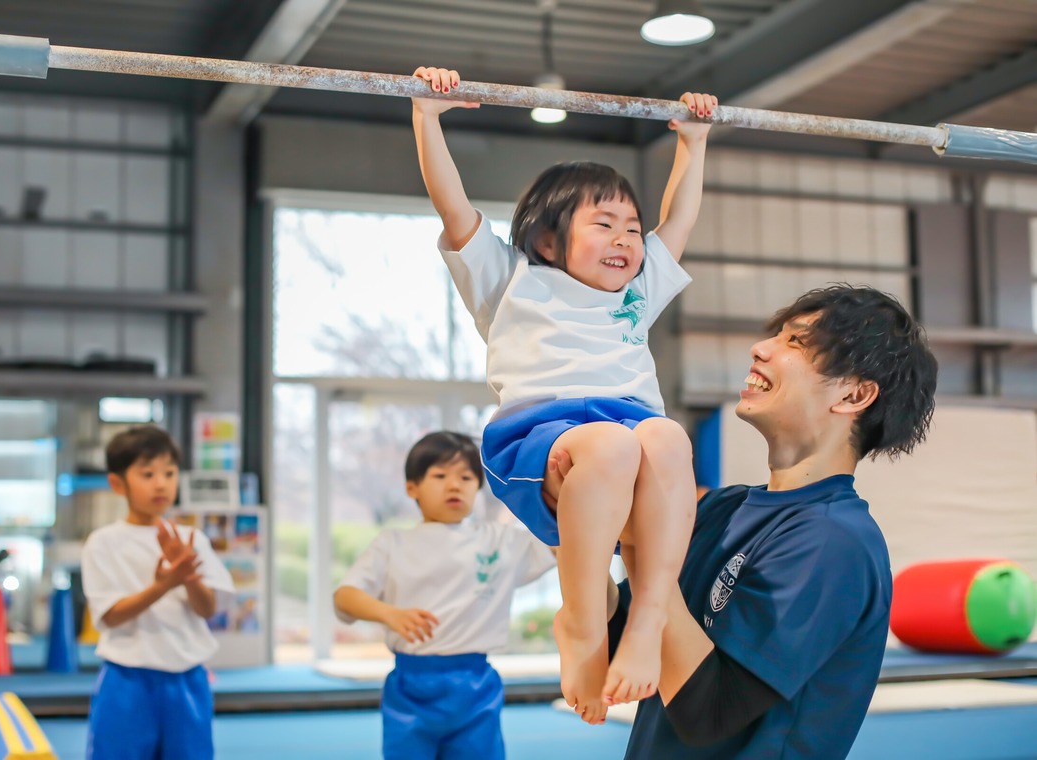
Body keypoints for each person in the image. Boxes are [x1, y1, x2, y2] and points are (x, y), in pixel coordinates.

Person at [411, 65, 716, 723]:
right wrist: (427, 119)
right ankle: (583, 621)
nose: (626, 239)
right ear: (548, 238)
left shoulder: (637, 293)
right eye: (604, 224)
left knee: (665, 435)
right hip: (539, 437)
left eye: (632, 228)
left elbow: (681, 217)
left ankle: (642, 620)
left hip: (630, 443)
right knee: (610, 444)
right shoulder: (510, 279)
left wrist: (693, 144)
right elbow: (453, 207)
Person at [577, 285, 937, 759]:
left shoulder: (833, 543)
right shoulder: (719, 510)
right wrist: (569, 525)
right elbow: (621, 645)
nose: (760, 347)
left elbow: (708, 713)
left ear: (854, 393)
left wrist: (646, 544)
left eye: (796, 342)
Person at [334, 431, 557, 760]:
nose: (454, 485)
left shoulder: (501, 541)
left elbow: (563, 539)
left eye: (466, 477)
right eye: (440, 476)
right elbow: (344, 597)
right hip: (411, 687)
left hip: (476, 686)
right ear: (413, 487)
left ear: (478, 488)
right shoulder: (392, 543)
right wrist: (389, 613)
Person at [81, 426, 234, 760]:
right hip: (128, 680)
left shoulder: (191, 539)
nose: (161, 483)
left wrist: (188, 576)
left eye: (169, 472)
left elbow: (208, 609)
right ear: (118, 484)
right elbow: (110, 614)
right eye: (147, 474)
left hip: (188, 679)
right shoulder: (104, 542)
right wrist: (163, 585)